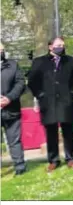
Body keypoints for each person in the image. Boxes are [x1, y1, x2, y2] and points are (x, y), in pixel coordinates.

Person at [27, 37, 73, 172]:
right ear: (50, 46)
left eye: (63, 45)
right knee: (51, 131)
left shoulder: (71, 61)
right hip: (48, 102)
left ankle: (70, 158)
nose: (61, 48)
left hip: (66, 101)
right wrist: (40, 95)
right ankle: (53, 160)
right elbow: (32, 81)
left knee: (68, 130)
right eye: (58, 45)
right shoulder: (39, 62)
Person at [0, 42, 27, 175]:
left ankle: (20, 167)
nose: (1, 52)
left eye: (2, 50)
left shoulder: (12, 65)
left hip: (11, 109)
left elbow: (20, 83)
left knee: (14, 140)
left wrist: (9, 98)